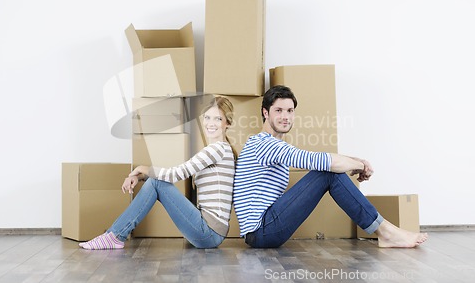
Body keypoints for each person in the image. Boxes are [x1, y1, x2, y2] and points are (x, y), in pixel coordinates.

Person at [233, 85, 428, 249]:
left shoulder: (271, 145)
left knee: (328, 170)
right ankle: (385, 232)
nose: (285, 116)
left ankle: (385, 231)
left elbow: (318, 159)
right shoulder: (265, 145)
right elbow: (323, 162)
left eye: (290, 111)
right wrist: (360, 164)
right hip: (262, 230)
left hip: (263, 230)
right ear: (265, 113)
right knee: (329, 173)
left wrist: (354, 160)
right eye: (279, 110)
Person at [79, 96, 236, 250]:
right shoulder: (220, 150)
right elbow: (172, 174)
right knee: (156, 181)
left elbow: (175, 174)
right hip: (209, 232)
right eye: (207, 117)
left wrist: (142, 168)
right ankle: (114, 235)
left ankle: (114, 236)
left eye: (218, 119)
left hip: (209, 233)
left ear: (227, 123)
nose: (210, 123)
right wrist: (141, 176)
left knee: (156, 182)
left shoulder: (217, 149)